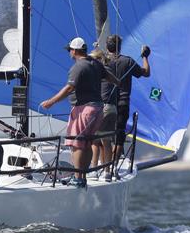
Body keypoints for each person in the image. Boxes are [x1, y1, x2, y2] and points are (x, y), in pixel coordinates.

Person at [40, 37, 104, 187]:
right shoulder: (95, 63)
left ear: (74, 51)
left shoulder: (78, 67)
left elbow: (69, 88)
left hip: (84, 109)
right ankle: (83, 177)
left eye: (70, 50)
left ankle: (78, 178)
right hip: (98, 108)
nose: (69, 52)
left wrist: (51, 102)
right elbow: (111, 77)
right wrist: (118, 83)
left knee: (76, 143)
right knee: (87, 143)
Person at [106, 34, 151, 164]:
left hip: (104, 104)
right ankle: (113, 166)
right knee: (119, 135)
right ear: (120, 47)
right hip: (122, 103)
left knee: (102, 136)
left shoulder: (101, 61)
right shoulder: (128, 61)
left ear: (106, 47)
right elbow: (146, 73)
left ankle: (104, 165)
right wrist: (145, 57)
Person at [89, 49, 117, 182]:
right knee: (106, 141)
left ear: (97, 60)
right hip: (112, 109)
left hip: (101, 108)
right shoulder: (110, 70)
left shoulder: (97, 73)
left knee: (94, 142)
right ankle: (107, 172)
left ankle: (94, 171)